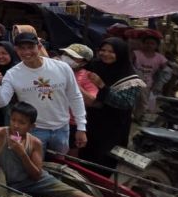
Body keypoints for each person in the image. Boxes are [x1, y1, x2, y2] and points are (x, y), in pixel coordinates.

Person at [0, 101, 141, 197]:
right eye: (13, 120)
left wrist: (22, 153)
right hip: (16, 187)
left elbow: (36, 175)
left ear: (32, 127)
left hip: (41, 182)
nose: (16, 126)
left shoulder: (35, 143)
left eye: (22, 123)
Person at [0, 31, 86, 156]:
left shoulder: (62, 67)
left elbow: (75, 96)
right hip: (34, 129)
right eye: (22, 48)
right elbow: (1, 102)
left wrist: (81, 127)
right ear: (16, 50)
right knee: (33, 166)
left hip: (62, 128)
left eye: (30, 47)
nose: (26, 52)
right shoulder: (12, 74)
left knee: (59, 163)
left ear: (40, 47)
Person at [80, 38, 145, 170]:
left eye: (111, 51)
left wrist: (102, 86)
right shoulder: (94, 65)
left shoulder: (130, 78)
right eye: (103, 50)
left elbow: (125, 103)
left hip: (112, 127)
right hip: (90, 120)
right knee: (84, 154)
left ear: (120, 54)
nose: (106, 54)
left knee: (103, 160)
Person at [59, 43, 98, 155]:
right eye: (66, 54)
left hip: (72, 123)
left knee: (70, 156)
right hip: (53, 119)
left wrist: (74, 84)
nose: (66, 57)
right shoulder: (55, 69)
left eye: (72, 57)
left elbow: (91, 101)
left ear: (84, 62)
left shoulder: (88, 76)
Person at [131, 30, 168, 115]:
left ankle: (141, 115)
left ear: (157, 46)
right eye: (147, 43)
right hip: (134, 79)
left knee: (144, 99)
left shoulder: (160, 58)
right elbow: (130, 64)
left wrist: (159, 83)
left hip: (148, 82)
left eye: (152, 44)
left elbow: (166, 70)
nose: (149, 45)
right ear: (142, 44)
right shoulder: (136, 54)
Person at [0, 41, 21, 125]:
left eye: (4, 53)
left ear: (11, 54)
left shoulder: (17, 70)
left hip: (14, 113)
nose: (0, 56)